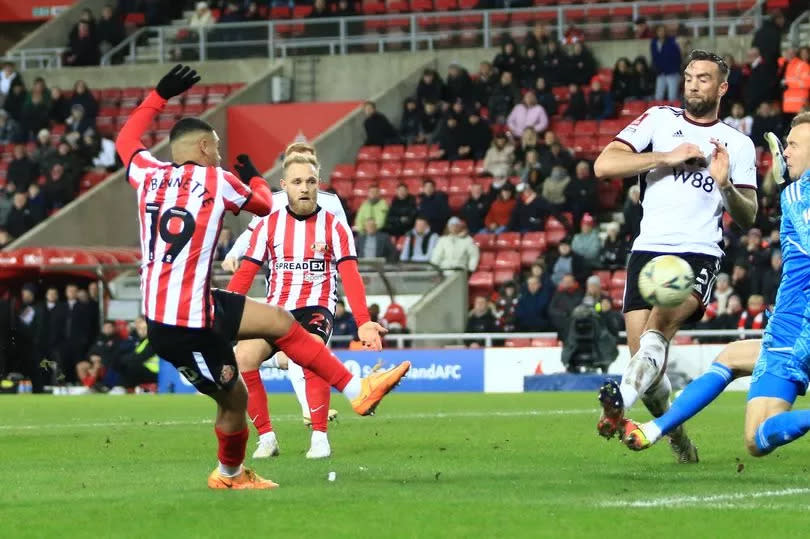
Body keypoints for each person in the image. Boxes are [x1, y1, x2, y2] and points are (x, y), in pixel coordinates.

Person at [115, 65, 409, 489]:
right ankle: (230, 475)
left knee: (279, 322)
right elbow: (260, 203)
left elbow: (125, 140)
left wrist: (159, 94)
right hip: (186, 325)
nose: (218, 153)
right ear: (201, 146)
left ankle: (357, 389)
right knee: (231, 401)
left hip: (191, 305)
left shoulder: (146, 173)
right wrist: (252, 173)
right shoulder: (217, 180)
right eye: (215, 147)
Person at [593, 50, 759, 462]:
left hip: (697, 253)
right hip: (647, 250)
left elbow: (749, 216)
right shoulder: (658, 121)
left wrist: (724, 186)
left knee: (658, 328)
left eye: (703, 78)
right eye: (688, 77)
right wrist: (664, 157)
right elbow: (603, 164)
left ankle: (618, 403)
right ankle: (680, 442)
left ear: (721, 88)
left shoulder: (737, 143)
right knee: (647, 366)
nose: (693, 84)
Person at [624, 112, 810, 456]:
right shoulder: (795, 192)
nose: (786, 153)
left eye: (794, 145)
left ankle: (656, 428)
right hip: (788, 329)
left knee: (755, 428)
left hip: (798, 328)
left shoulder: (799, 193)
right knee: (755, 433)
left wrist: (786, 188)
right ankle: (655, 428)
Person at [225, 149, 387, 460]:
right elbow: (246, 273)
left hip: (316, 306)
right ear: (283, 185)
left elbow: (350, 275)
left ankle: (319, 437)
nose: (304, 187)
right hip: (277, 309)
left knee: (308, 353)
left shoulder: (335, 226)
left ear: (318, 184)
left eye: (310, 181)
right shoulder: (267, 225)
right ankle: (267, 439)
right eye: (297, 181)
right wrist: (225, 314)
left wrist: (363, 320)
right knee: (243, 356)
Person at [650, 25, 681, 101]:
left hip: (672, 72)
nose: (661, 33)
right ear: (657, 32)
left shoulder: (672, 42)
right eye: (659, 31)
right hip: (660, 72)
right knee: (658, 96)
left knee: (672, 97)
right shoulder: (654, 43)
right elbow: (654, 58)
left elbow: (677, 56)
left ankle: (672, 112)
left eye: (663, 31)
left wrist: (676, 69)